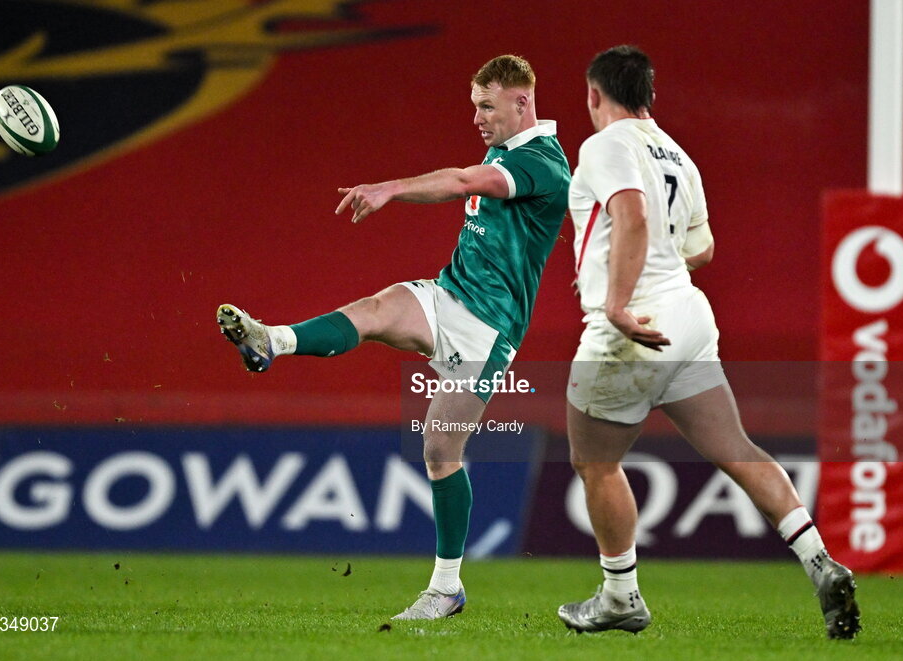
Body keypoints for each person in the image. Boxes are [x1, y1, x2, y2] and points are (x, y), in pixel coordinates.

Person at [216, 54, 570, 620]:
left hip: (488, 329)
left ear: (522, 101)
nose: (477, 117)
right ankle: (270, 341)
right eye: (473, 105)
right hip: (447, 295)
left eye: (486, 105)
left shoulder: (542, 164)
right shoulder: (505, 147)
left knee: (438, 447)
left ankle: (447, 588)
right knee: (376, 308)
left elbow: (460, 182)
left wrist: (390, 188)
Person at [556, 45, 861, 640]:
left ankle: (620, 596)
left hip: (636, 327)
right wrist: (610, 262)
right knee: (737, 448)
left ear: (595, 94)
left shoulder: (604, 145)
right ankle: (819, 559)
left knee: (594, 461)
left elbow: (633, 217)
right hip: (689, 316)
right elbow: (701, 250)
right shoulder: (680, 156)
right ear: (649, 94)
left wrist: (615, 297)